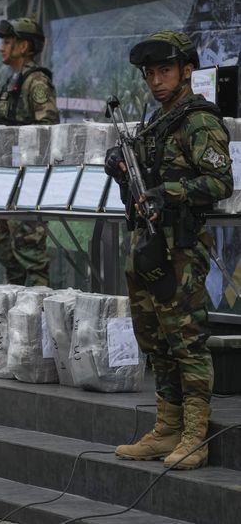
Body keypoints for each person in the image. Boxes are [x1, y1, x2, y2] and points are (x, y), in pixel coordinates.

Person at [105, 30, 232, 470]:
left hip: (180, 249)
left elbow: (221, 183)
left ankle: (194, 436)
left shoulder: (198, 120)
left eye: (165, 71)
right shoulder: (155, 122)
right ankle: (167, 429)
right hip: (147, 246)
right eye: (151, 74)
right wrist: (121, 168)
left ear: (186, 71)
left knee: (186, 342)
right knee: (155, 343)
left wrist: (169, 192)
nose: (157, 81)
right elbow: (141, 183)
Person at [0, 17, 59, 287]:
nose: (1, 48)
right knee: (7, 252)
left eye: (8, 42)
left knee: (30, 254)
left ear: (25, 46)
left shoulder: (37, 82)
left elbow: (48, 128)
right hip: (6, 179)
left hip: (27, 181)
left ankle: (38, 316)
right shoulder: (11, 82)